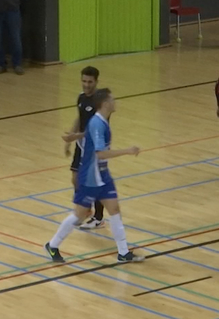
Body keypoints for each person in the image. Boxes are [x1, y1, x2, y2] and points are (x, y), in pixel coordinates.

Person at [47, 88, 145, 264]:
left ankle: (123, 252)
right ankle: (53, 245)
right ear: (106, 103)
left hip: (102, 175)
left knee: (114, 210)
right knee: (79, 214)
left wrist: (75, 136)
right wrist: (128, 151)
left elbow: (89, 138)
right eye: (112, 100)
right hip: (91, 177)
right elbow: (100, 153)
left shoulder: (100, 122)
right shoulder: (98, 123)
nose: (115, 102)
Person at [64, 66, 105, 230]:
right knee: (75, 179)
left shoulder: (100, 103)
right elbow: (79, 119)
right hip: (81, 145)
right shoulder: (81, 98)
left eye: (90, 82)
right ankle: (85, 209)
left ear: (96, 82)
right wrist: (69, 141)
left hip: (94, 147)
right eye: (84, 81)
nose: (86, 85)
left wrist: (76, 136)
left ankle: (99, 218)